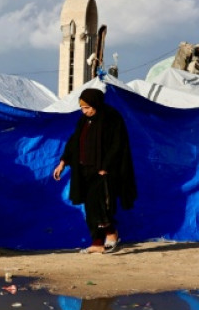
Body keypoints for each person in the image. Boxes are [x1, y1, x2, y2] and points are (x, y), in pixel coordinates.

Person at [52, 88, 136, 254]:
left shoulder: (112, 118)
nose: (85, 111)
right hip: (84, 170)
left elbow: (117, 144)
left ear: (96, 104)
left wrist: (106, 167)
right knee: (90, 207)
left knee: (102, 206)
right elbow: (74, 142)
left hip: (104, 171)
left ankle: (111, 233)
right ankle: (97, 243)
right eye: (83, 108)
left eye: (88, 108)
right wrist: (63, 162)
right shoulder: (83, 121)